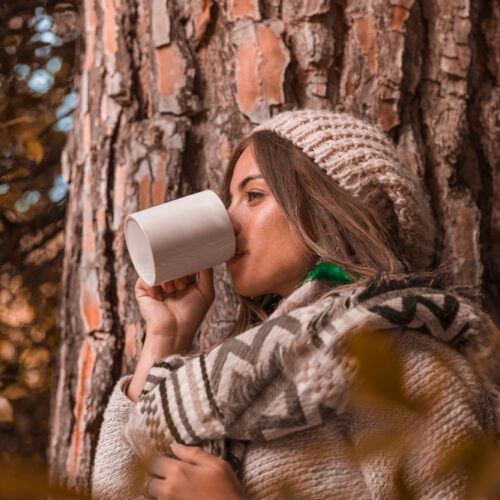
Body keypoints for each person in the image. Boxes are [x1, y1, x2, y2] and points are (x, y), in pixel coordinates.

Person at [92, 110, 499, 499]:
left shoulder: (403, 365)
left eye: (253, 195)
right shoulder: (222, 380)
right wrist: (168, 335)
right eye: (230, 200)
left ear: (329, 214)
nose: (230, 221)